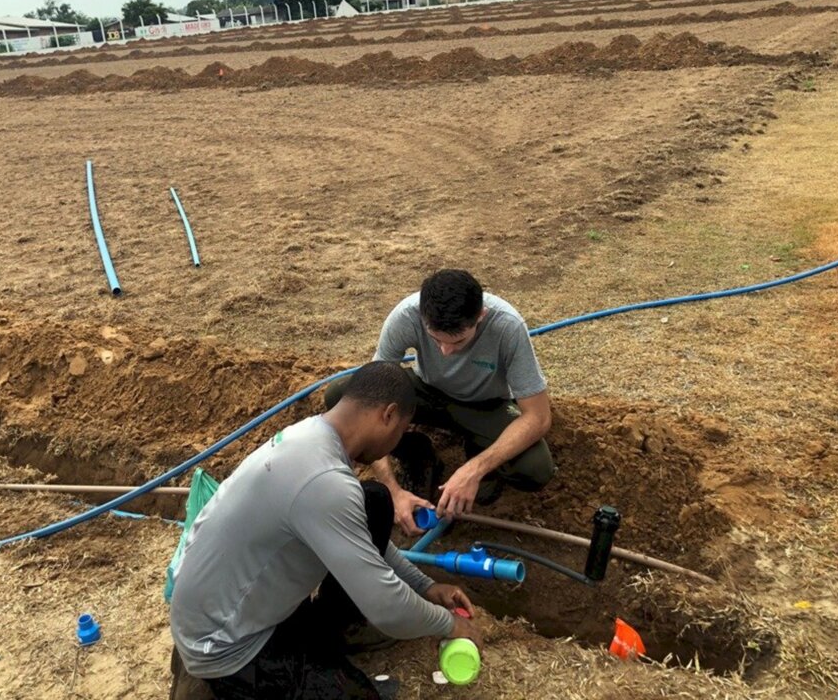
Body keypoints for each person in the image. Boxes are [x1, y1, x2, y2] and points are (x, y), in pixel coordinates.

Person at [169, 361, 482, 700]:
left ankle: (337, 632)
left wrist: (426, 586)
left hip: (234, 604)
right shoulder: (324, 481)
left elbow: (356, 539)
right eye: (401, 430)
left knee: (373, 500)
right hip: (226, 647)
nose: (395, 444)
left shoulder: (312, 436)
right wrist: (449, 624)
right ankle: (209, 687)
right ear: (389, 415)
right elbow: (387, 608)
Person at [325, 269, 554, 535]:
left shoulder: (507, 327)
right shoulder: (406, 316)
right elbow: (369, 400)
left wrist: (474, 470)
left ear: (481, 316)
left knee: (535, 468)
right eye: (436, 340)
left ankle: (478, 452)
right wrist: (393, 490)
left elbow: (538, 417)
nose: (446, 352)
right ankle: (416, 453)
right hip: (424, 392)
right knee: (342, 397)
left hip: (485, 404)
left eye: (458, 341)